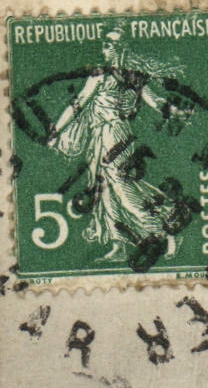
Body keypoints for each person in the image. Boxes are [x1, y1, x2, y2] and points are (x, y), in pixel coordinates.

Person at [47, 29, 191, 263]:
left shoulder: (117, 75)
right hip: (102, 137)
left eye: (111, 43)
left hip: (114, 135)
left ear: (122, 47)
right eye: (105, 43)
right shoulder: (114, 75)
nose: (106, 47)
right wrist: (56, 131)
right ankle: (119, 244)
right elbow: (79, 104)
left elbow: (80, 104)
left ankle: (164, 232)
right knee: (105, 192)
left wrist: (174, 111)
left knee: (123, 190)